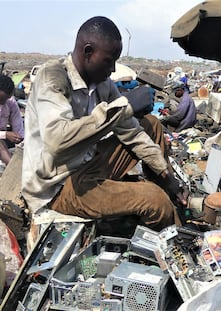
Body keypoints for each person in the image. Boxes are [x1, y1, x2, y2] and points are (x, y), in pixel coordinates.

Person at [21, 16, 188, 231]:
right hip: (59, 185)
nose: (112, 69)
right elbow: (57, 141)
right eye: (109, 61)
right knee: (154, 201)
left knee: (151, 124)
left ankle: (162, 191)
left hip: (89, 163)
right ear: (88, 51)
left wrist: (166, 175)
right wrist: (125, 106)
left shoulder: (103, 83)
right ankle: (171, 235)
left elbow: (132, 132)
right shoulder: (52, 77)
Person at [0, 74, 24, 166]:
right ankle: (13, 168)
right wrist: (5, 134)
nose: (3, 102)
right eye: (1, 99)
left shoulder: (10, 103)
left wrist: (20, 139)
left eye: (5, 99)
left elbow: (18, 124)